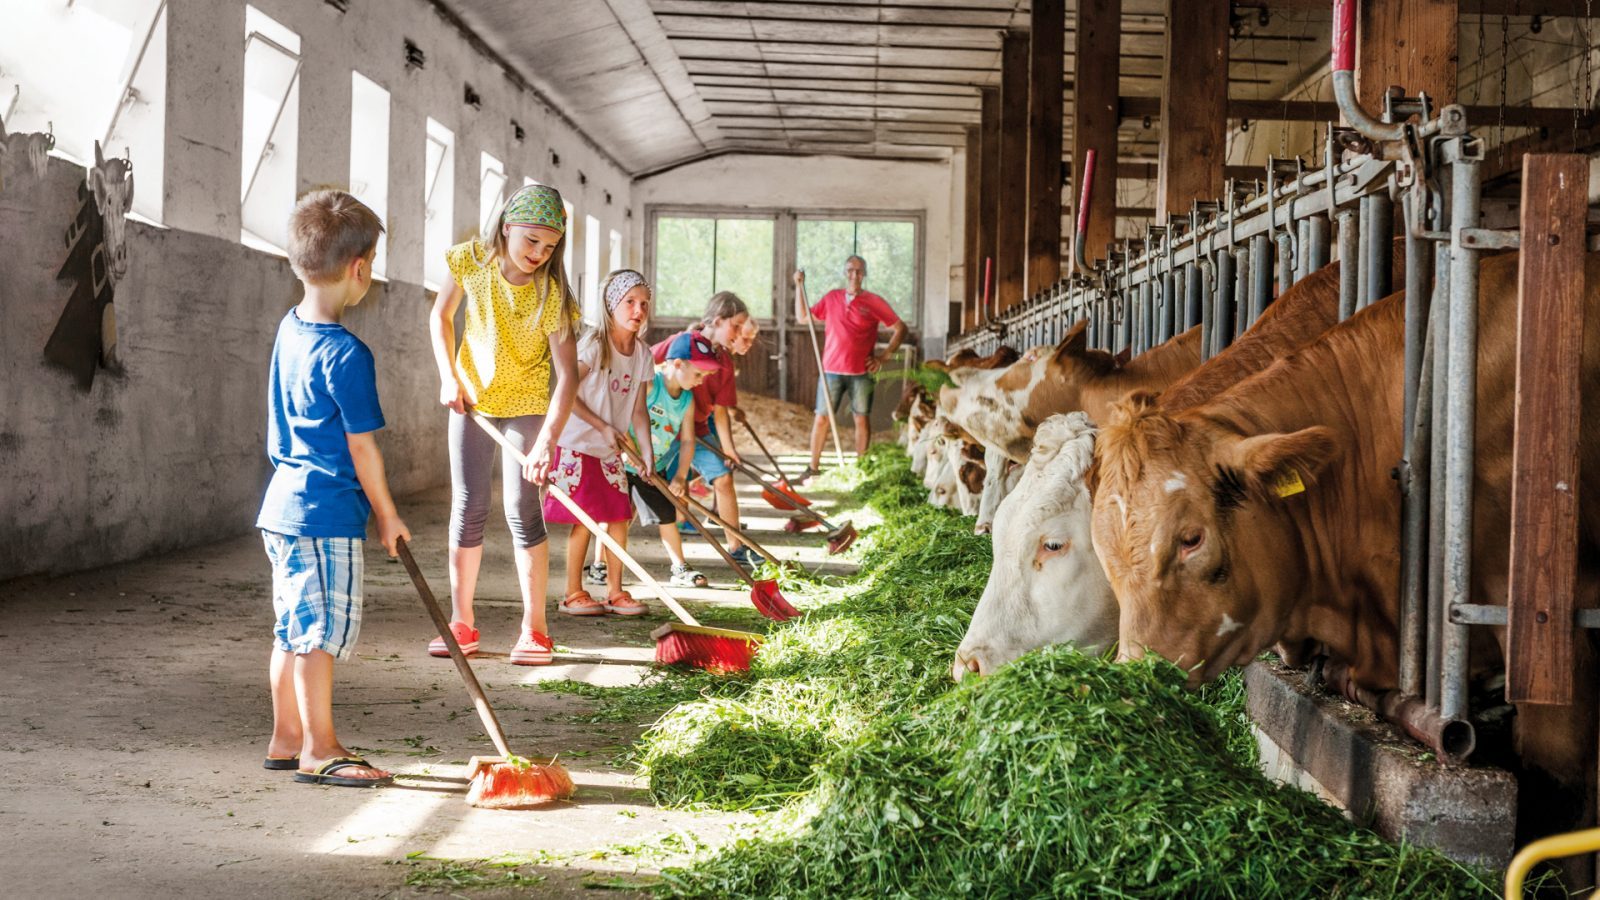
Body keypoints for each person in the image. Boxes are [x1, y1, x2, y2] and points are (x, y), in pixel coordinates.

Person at [256, 190, 407, 787]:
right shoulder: (346, 353)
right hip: (324, 514)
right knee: (320, 634)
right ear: (360, 269)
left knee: (291, 628)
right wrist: (388, 516)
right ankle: (321, 748)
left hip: (282, 508)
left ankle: (286, 737)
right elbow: (362, 447)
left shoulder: (289, 329)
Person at [427, 183, 580, 666]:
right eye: (531, 240)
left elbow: (569, 375)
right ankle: (461, 621)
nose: (539, 253)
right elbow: (441, 315)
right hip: (474, 399)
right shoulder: (471, 261)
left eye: (550, 246)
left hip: (528, 402)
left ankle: (535, 629)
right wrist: (448, 375)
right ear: (507, 227)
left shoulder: (551, 294)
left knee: (521, 506)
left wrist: (547, 444)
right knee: (470, 503)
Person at [545, 270, 655, 617]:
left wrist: (646, 455)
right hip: (578, 444)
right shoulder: (593, 345)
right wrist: (602, 426)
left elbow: (638, 409)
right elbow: (567, 393)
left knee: (620, 516)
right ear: (611, 305)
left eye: (644, 304)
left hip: (610, 451)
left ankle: (615, 591)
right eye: (630, 302)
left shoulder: (642, 354)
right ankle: (573, 593)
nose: (638, 310)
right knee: (586, 521)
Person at [650, 293, 759, 568]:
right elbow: (644, 362)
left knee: (723, 478)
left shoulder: (724, 363)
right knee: (635, 487)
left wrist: (729, 449)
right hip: (659, 428)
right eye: (736, 326)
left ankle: (736, 546)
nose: (738, 333)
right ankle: (602, 561)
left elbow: (720, 409)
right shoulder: (681, 342)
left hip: (695, 429)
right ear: (718, 320)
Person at [794, 256, 909, 479]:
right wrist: (799, 286)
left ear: (864, 273)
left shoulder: (874, 301)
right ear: (845, 273)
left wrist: (884, 356)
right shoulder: (832, 298)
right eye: (850, 270)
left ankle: (861, 468)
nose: (854, 275)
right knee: (821, 418)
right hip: (831, 371)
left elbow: (900, 328)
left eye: (858, 271)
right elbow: (802, 318)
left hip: (861, 373)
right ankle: (812, 468)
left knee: (861, 418)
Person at [630, 332, 722, 588]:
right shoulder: (650, 384)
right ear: (678, 364)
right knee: (618, 518)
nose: (700, 382)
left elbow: (688, 440)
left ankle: (679, 567)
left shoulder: (687, 399)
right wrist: (629, 452)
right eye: (698, 375)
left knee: (667, 515)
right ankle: (600, 566)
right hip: (624, 463)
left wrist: (681, 475)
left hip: (654, 467)